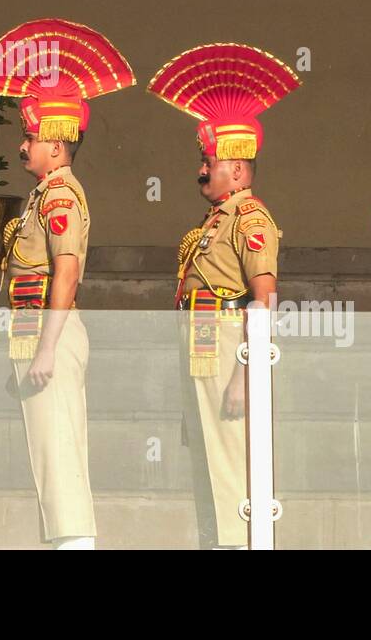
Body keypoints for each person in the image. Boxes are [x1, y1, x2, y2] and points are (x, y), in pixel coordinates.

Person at [0, 17, 135, 549]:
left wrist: (44, 349)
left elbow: (64, 273)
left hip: (52, 334)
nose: (23, 146)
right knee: (46, 453)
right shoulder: (46, 195)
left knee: (59, 457)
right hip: (36, 334)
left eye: (30, 136)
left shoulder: (61, 197)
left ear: (58, 145)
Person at [147, 42, 300, 549]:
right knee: (207, 464)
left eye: (208, 161)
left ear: (236, 168)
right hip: (202, 347)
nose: (200, 170)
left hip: (230, 346)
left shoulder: (251, 219)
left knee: (233, 465)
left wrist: (245, 377)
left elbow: (264, 299)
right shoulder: (217, 219)